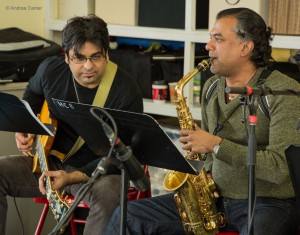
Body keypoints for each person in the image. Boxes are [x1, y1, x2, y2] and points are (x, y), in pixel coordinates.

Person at [104, 7, 300, 235]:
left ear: (245, 47)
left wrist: (216, 145)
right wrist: (206, 171)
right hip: (215, 198)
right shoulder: (212, 88)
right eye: (210, 38)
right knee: (127, 215)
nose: (208, 46)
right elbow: (207, 155)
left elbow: (280, 169)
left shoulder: (282, 93)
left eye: (218, 39)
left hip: (268, 202)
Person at [0, 15, 143, 235]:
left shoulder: (125, 91)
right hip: (48, 164)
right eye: (79, 58)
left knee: (111, 189)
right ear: (66, 57)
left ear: (107, 54)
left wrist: (73, 177)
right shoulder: (51, 70)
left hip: (93, 174)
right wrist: (25, 127)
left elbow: (123, 156)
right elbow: (32, 93)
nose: (88, 66)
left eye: (96, 57)